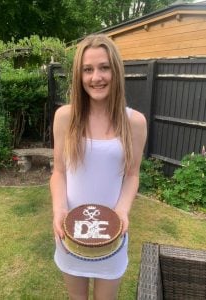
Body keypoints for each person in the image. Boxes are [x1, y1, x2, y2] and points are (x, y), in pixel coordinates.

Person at [50, 33, 147, 300]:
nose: (96, 77)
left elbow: (132, 174)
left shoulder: (135, 123)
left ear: (115, 71)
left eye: (104, 67)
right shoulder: (64, 117)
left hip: (113, 234)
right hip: (70, 232)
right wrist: (59, 209)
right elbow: (58, 172)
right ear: (79, 76)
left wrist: (122, 210)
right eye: (88, 70)